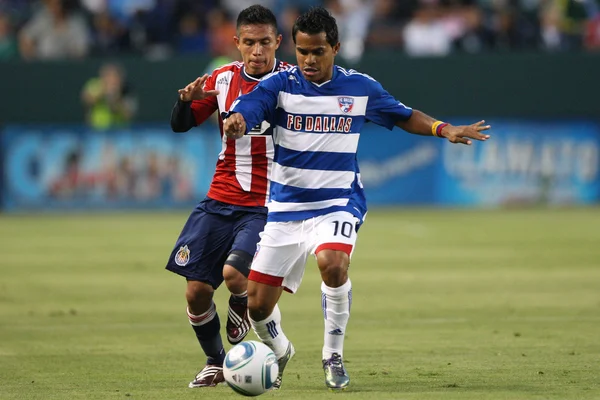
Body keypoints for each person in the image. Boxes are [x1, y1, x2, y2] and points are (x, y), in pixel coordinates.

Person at [223, 6, 491, 391]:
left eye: (318, 51)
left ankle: (332, 354)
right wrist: (238, 119)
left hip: (338, 200)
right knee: (258, 307)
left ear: (335, 47)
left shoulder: (359, 87)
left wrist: (442, 128)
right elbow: (250, 107)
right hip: (285, 209)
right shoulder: (278, 86)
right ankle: (280, 350)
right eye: (302, 52)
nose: (309, 60)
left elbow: (402, 114)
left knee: (333, 263)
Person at [165, 4, 289, 389]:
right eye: (249, 43)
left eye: (264, 42)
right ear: (236, 43)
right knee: (196, 291)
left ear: (277, 42)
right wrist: (185, 102)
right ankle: (216, 361)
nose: (257, 51)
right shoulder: (220, 80)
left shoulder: (294, 81)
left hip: (266, 203)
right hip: (219, 198)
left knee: (234, 274)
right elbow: (180, 126)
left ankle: (240, 303)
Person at [81, 62, 138, 129]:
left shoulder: (127, 89)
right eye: (108, 76)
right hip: (97, 129)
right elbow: (86, 100)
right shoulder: (95, 85)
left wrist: (117, 100)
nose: (111, 79)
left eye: (115, 76)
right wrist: (104, 92)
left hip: (120, 130)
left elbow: (129, 114)